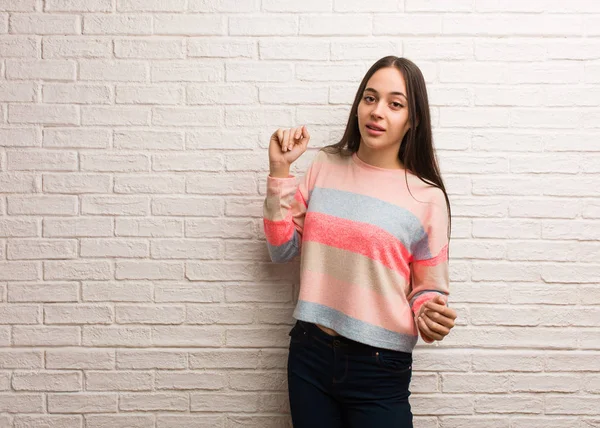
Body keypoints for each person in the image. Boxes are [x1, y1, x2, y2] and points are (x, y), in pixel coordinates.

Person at [262, 56, 457, 427]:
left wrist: (429, 312)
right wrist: (280, 172)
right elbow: (281, 249)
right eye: (370, 98)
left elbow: (427, 290)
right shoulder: (324, 164)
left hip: (380, 367)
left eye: (395, 103)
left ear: (413, 119)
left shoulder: (426, 197)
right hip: (310, 355)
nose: (377, 111)